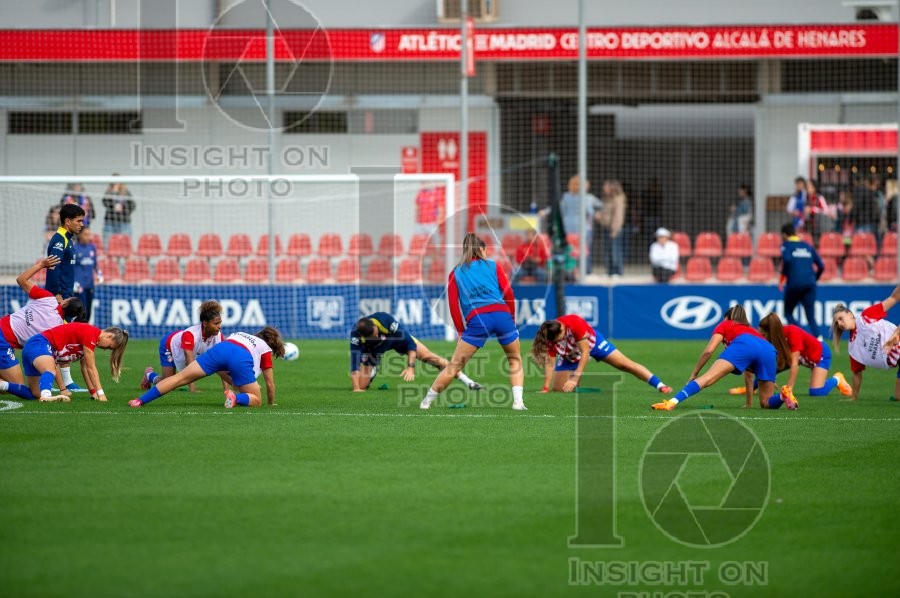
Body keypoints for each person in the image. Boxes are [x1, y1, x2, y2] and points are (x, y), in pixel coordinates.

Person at [420, 233, 525, 411]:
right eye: (486, 249)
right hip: (502, 315)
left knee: (454, 366)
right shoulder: (493, 265)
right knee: (514, 359)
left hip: (478, 319)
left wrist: (461, 331)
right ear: (482, 249)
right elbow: (508, 294)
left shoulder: (455, 273)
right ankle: (518, 403)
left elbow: (454, 305)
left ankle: (426, 403)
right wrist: (511, 319)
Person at [653, 305, 796, 411]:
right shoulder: (752, 330)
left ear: (727, 318)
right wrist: (749, 404)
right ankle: (784, 395)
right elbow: (748, 377)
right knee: (766, 403)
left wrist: (695, 373)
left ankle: (672, 402)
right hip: (769, 349)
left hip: (744, 344)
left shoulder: (726, 324)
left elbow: (708, 351)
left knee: (707, 378)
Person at [130, 327, 285, 409]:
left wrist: (234, 383)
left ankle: (139, 401)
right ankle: (234, 398)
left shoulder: (240, 334)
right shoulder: (265, 348)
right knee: (256, 399)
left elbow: (222, 368)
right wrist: (271, 403)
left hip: (220, 349)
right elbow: (270, 384)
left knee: (178, 378)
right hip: (240, 357)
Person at [531, 314, 672, 394]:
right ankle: (576, 383)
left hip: (593, 345)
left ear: (562, 329)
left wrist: (575, 377)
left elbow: (585, 351)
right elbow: (550, 364)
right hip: (571, 354)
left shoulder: (574, 322)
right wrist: (545, 387)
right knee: (558, 390)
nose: (558, 341)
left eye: (559, 338)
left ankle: (660, 385)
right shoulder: (549, 337)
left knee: (624, 364)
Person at [0, 258, 85, 390]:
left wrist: (41, 265)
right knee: (17, 388)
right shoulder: (59, 328)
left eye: (66, 298)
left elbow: (21, 280)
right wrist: (62, 388)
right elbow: (52, 358)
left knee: (13, 387)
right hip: (4, 341)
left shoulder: (48, 298)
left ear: (64, 302)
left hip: (4, 335)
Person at [350, 311, 482, 392]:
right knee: (362, 386)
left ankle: (468, 381)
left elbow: (410, 343)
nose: (377, 336)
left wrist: (410, 367)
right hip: (374, 351)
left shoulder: (384, 319)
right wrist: (356, 388)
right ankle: (372, 371)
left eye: (376, 332)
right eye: (373, 336)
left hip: (396, 341)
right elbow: (354, 362)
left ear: (374, 326)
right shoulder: (355, 335)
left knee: (430, 357)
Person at [1, 322, 128, 402]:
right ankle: (46, 395)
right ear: (109, 336)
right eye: (110, 346)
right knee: (48, 370)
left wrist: (93, 392)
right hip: (39, 343)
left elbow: (84, 369)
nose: (106, 349)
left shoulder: (89, 342)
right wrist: (101, 394)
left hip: (35, 349)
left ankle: (2, 385)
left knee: (34, 394)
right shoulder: (91, 333)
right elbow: (91, 368)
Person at [755, 313, 852, 401]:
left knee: (816, 392)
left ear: (771, 332)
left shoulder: (792, 332)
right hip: (802, 358)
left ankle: (837, 379)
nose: (761, 337)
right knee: (770, 368)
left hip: (820, 355)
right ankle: (751, 388)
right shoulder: (773, 338)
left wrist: (789, 389)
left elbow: (794, 364)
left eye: (763, 334)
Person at [832, 284, 900, 402]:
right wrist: (854, 397)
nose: (840, 323)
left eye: (841, 318)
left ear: (850, 315)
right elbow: (857, 373)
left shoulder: (866, 317)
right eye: (837, 323)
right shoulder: (853, 349)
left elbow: (893, 298)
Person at [141, 300, 227, 393]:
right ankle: (149, 374)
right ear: (205, 323)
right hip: (169, 345)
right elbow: (189, 363)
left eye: (220, 323)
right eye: (215, 323)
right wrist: (192, 389)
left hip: (185, 348)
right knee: (168, 385)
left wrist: (226, 389)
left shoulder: (219, 337)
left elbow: (221, 363)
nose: (219, 326)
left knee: (171, 384)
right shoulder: (190, 335)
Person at [45, 202, 86, 392]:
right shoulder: (59, 240)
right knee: (58, 339)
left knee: (63, 338)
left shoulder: (68, 239)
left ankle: (64, 381)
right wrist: (57, 294)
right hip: (59, 297)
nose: (82, 224)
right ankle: (57, 382)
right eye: (78, 221)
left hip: (66, 294)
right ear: (67, 221)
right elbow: (52, 267)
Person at [779, 223, 824, 338]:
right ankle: (819, 340)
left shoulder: (786, 245)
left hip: (794, 283)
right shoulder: (807, 246)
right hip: (810, 284)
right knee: (810, 316)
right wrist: (815, 278)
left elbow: (787, 260)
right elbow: (821, 266)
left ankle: (802, 336)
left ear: (784, 235)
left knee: (788, 313)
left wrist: (784, 275)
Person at [559, 175, 601, 273]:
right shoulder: (588, 198)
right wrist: (597, 213)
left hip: (568, 228)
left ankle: (570, 271)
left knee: (570, 251)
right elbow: (595, 209)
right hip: (583, 229)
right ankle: (586, 272)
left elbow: (560, 209)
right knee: (584, 251)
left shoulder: (566, 196)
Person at [597, 179, 627, 278]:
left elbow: (618, 216)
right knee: (607, 250)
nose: (604, 188)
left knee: (615, 250)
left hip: (614, 229)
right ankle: (609, 271)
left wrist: (614, 230)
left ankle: (617, 271)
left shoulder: (618, 198)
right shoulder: (607, 199)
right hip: (606, 227)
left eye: (606, 186)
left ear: (611, 187)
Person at [73, 227, 102, 323]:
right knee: (82, 310)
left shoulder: (92, 247)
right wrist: (74, 282)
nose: (88, 237)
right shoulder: (74, 248)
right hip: (79, 286)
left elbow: (95, 265)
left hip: (90, 284)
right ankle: (79, 332)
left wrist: (99, 274)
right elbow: (71, 267)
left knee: (89, 310)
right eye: (86, 234)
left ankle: (84, 331)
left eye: (89, 234)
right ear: (79, 235)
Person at [101, 176, 136, 242]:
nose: (115, 184)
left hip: (124, 223)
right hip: (110, 223)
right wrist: (113, 193)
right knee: (108, 244)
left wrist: (123, 207)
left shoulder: (126, 193)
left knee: (124, 244)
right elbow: (105, 202)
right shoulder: (108, 192)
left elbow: (133, 205)